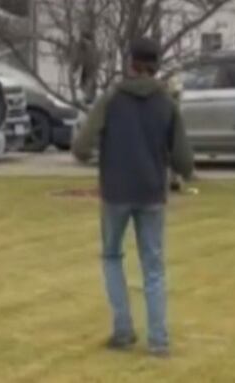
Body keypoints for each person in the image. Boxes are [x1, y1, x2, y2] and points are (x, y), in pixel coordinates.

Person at [71, 37, 194, 357]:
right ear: (155, 65)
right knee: (153, 267)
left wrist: (97, 155)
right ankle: (158, 341)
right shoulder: (167, 103)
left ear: (130, 64)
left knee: (112, 257)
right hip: (152, 192)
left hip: (115, 192)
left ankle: (123, 331)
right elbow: (184, 160)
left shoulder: (110, 99)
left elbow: (82, 146)